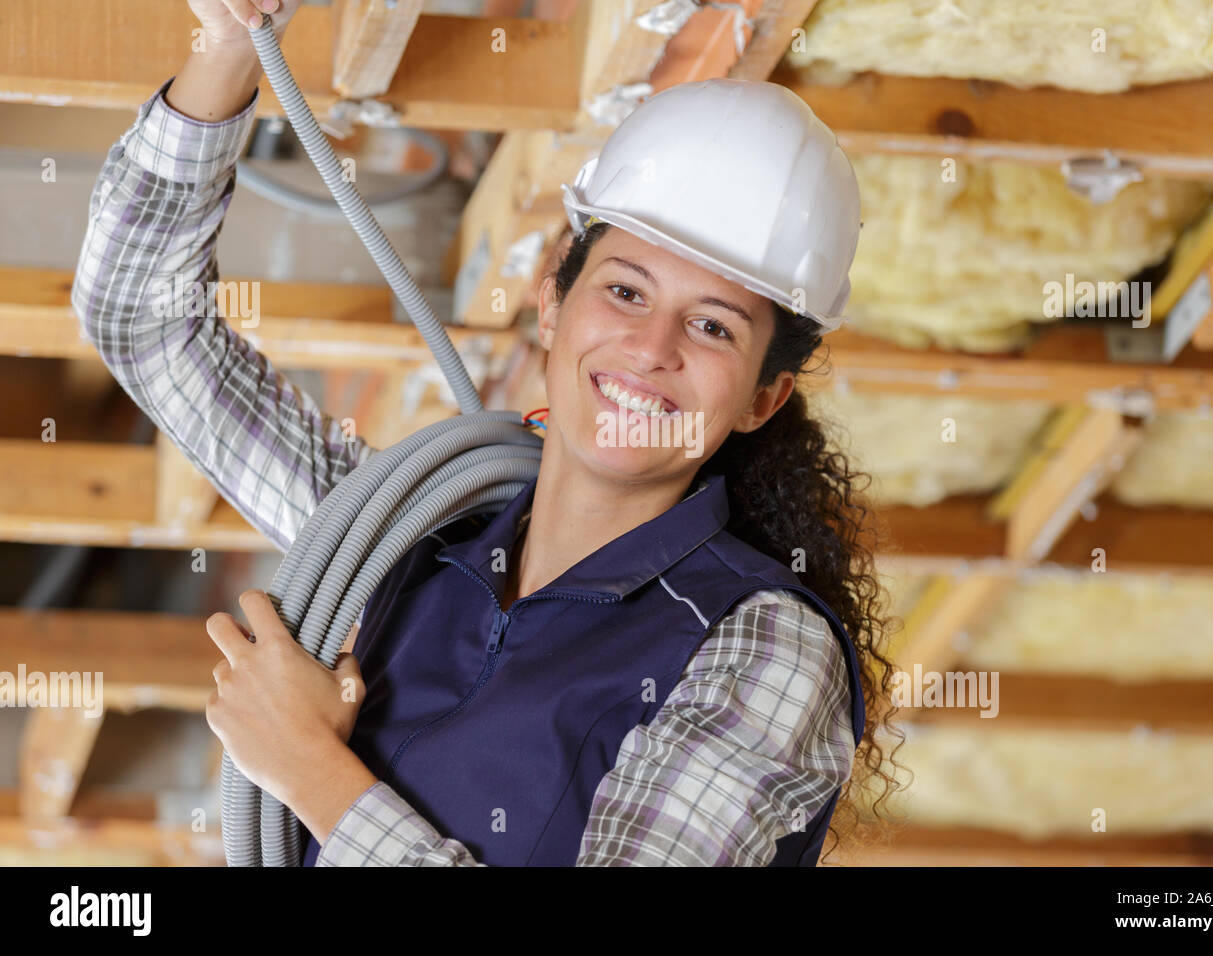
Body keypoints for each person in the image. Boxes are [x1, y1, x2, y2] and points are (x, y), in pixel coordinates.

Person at [72, 0, 902, 866]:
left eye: (714, 328)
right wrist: (230, 46)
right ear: (551, 305)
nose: (651, 349)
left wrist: (309, 767)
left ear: (763, 399)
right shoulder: (405, 541)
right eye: (625, 291)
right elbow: (145, 321)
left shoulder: (764, 641)